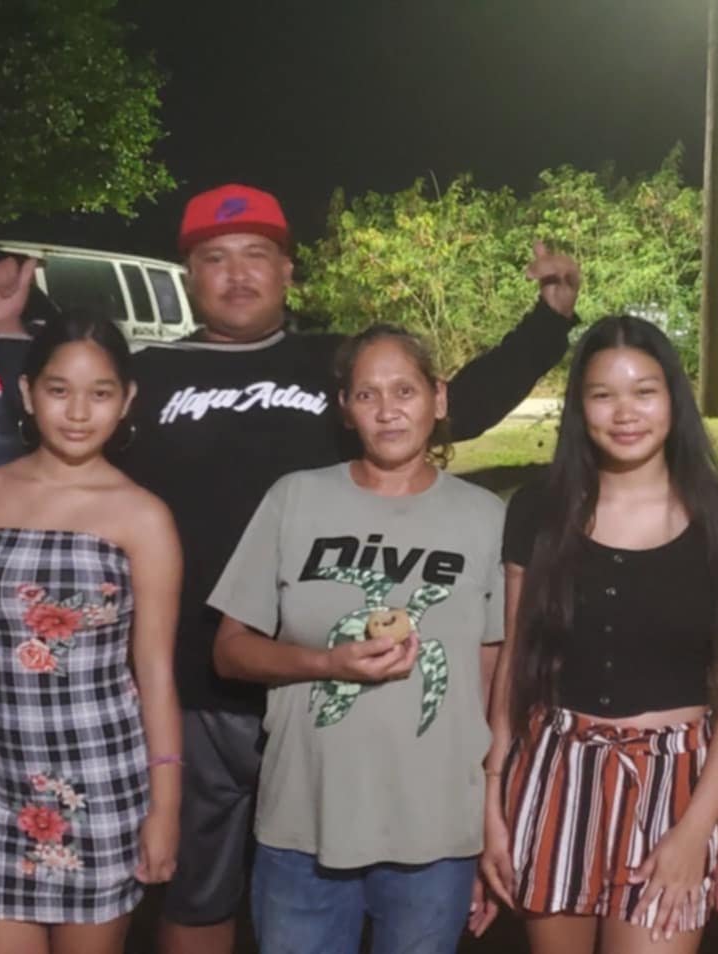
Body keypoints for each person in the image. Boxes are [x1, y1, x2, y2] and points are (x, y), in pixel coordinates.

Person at [0, 183, 579, 954]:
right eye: (213, 258)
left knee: (324, 882)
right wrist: (3, 332)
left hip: (338, 696)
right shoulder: (149, 376)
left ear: (289, 271)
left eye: (257, 256)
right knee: (200, 891)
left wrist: (547, 322)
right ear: (189, 274)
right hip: (194, 682)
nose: (237, 274)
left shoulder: (336, 367)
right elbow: (54, 431)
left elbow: (454, 401)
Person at [203, 325, 507, 954]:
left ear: (438, 398)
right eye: (367, 395)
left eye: (405, 390)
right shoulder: (296, 499)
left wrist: (487, 823)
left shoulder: (486, 517)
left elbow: (493, 679)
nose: (389, 410)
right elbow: (230, 650)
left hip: (435, 831)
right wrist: (327, 662)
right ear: (344, 409)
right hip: (305, 822)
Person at [482, 315, 718, 953]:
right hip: (555, 770)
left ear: (673, 400)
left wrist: (699, 831)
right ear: (579, 408)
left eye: (644, 391)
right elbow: (515, 661)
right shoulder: (537, 509)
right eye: (602, 394)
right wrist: (493, 797)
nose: (625, 412)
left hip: (676, 783)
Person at [0, 312, 184, 954]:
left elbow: (154, 672)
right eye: (59, 389)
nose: (77, 412)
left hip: (102, 781)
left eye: (100, 393)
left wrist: (166, 806)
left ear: (126, 402)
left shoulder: (143, 517)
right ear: (27, 393)